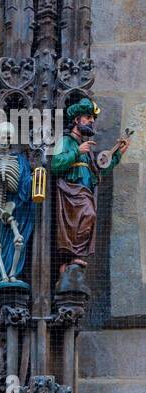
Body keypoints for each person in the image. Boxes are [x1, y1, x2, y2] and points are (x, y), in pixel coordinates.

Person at [51, 98, 129, 288]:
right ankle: (68, 261)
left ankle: (72, 260)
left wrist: (118, 154)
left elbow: (98, 170)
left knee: (88, 217)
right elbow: (55, 165)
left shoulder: (86, 146)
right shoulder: (66, 141)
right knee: (86, 215)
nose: (91, 121)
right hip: (70, 193)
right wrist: (77, 152)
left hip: (85, 191)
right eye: (88, 117)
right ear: (77, 119)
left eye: (93, 118)